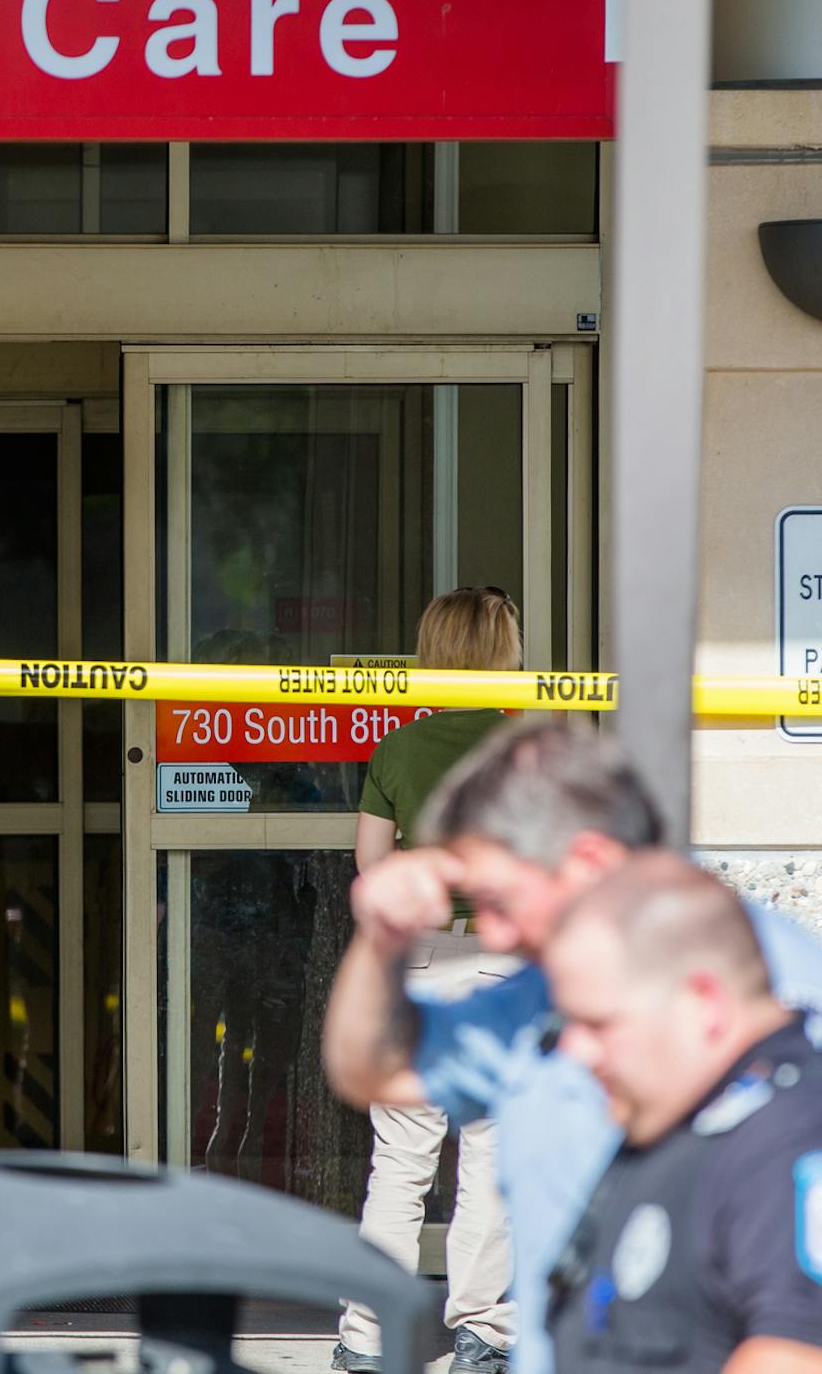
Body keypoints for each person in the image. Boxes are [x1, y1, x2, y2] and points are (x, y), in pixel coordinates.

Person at [321, 722, 822, 1374]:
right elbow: (370, 1069)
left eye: (499, 899)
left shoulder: (775, 994)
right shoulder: (534, 989)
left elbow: (791, 1335)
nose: (492, 932)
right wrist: (381, 940)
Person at [335, 587, 524, 1374]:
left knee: (401, 1158)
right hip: (501, 962)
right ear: (504, 651)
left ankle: (366, 1335)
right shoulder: (529, 748)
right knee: (489, 1154)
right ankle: (480, 1330)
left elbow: (372, 867)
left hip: (415, 963)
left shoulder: (399, 748)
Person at [542, 858, 822, 1374]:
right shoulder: (685, 1117)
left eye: (598, 1024)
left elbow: (795, 1356)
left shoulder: (791, 1136)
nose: (575, 1051)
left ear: (704, 1005)